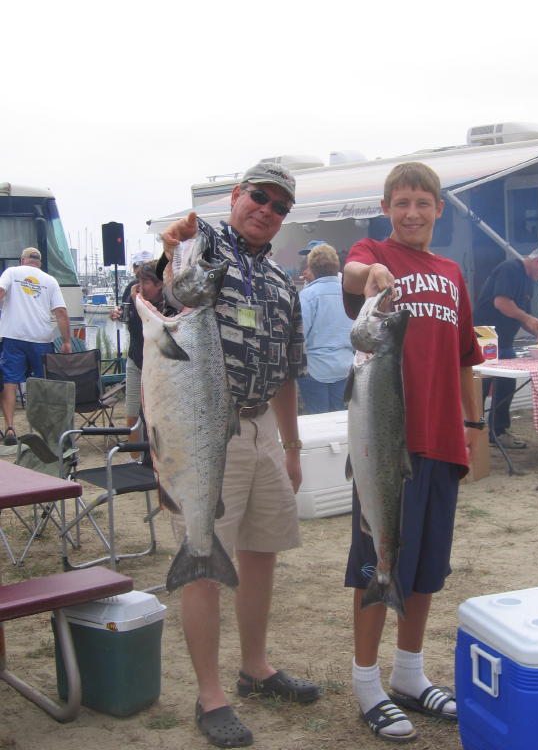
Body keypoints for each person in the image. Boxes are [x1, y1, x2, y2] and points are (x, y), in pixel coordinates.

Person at [158, 162, 318, 748]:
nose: (267, 210)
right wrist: (168, 252)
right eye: (259, 197)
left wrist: (292, 446)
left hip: (262, 434)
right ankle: (210, 695)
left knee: (261, 553)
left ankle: (255, 668)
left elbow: (289, 373)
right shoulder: (198, 245)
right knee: (203, 560)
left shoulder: (282, 281)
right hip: (202, 432)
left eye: (279, 206)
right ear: (236, 195)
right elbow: (162, 293)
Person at [342, 162, 484, 742]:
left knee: (423, 569)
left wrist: (473, 426)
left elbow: (465, 357)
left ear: (439, 208)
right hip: (384, 446)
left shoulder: (452, 273)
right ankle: (366, 681)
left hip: (443, 441)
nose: (412, 213)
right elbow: (352, 273)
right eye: (401, 202)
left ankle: (408, 672)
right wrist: (371, 270)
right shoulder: (376, 254)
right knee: (377, 562)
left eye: (423, 203)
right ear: (386, 207)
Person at [473, 244, 538, 449]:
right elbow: (501, 303)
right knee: (482, 385)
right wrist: (527, 318)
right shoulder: (510, 269)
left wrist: (537, 331)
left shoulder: (528, 282)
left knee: (506, 384)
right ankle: (474, 430)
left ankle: (498, 431)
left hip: (504, 339)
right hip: (486, 335)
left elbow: (522, 315)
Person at [0, 247, 72, 445]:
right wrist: (66, 341)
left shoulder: (12, 272)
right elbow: (61, 313)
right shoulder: (49, 280)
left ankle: (10, 429)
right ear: (39, 263)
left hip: (13, 336)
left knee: (10, 382)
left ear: (23, 260)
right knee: (44, 385)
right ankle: (49, 432)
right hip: (41, 339)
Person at [110, 260, 166, 457]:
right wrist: (117, 313)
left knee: (158, 415)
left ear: (160, 284)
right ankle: (135, 459)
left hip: (161, 367)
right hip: (136, 358)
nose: (140, 287)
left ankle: (158, 458)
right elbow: (126, 313)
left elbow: (156, 323)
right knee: (132, 410)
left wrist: (139, 302)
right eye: (138, 282)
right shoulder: (132, 290)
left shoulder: (170, 302)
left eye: (145, 283)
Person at [298, 243, 354, 414]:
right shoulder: (350, 293)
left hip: (315, 369)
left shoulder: (307, 296)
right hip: (345, 366)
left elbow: (300, 337)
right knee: (342, 419)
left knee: (318, 421)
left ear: (312, 267)